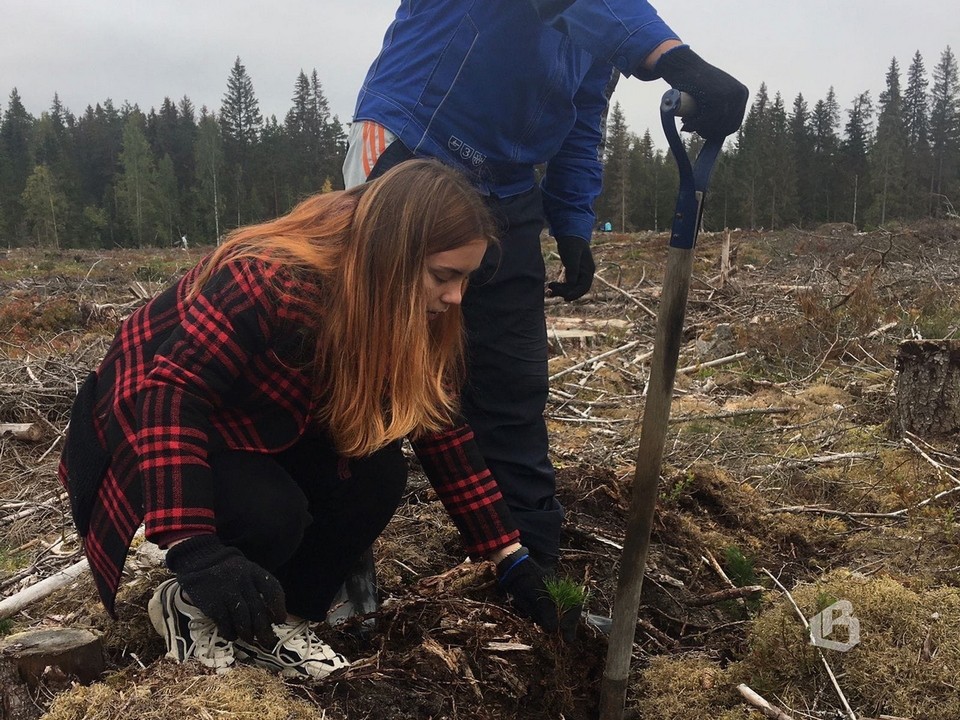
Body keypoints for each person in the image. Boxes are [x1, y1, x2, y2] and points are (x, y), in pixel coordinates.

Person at [58, 159, 569, 678]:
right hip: (150, 421)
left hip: (260, 423)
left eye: (465, 279)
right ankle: (191, 606)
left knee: (377, 472)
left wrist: (508, 555)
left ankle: (282, 622)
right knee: (271, 512)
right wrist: (195, 548)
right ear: (394, 256)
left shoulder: (403, 306)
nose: (456, 295)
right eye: (444, 276)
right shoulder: (272, 277)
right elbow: (172, 392)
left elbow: (439, 427)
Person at [342, 2, 749, 579]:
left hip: (507, 188)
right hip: (412, 147)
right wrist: (671, 57)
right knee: (374, 367)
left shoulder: (601, 20)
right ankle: (333, 561)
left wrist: (572, 220)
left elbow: (581, 114)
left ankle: (530, 572)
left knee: (513, 385)